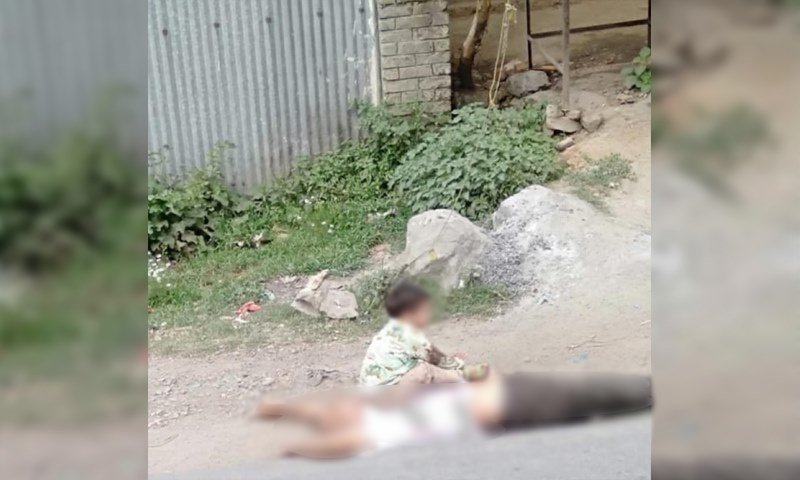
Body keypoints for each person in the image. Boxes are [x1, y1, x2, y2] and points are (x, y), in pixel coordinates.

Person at [256, 370, 652, 459]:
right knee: (601, 399)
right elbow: (340, 435)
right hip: (513, 404)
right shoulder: (383, 422)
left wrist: (289, 420)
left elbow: (334, 428)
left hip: (513, 404)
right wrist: (300, 444)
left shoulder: (383, 415)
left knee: (602, 400)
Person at [358, 281, 484, 387]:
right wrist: (457, 363)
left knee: (418, 364)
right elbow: (433, 356)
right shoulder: (408, 334)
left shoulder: (391, 328)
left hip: (372, 387)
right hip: (388, 390)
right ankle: (463, 376)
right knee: (425, 370)